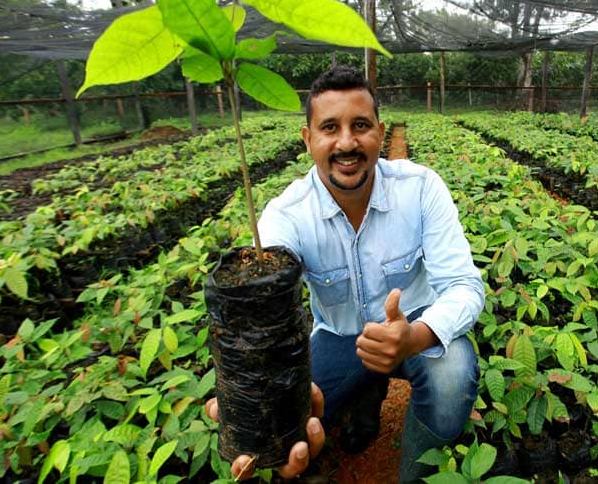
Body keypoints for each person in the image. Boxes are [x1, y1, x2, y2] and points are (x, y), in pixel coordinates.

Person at [205, 66, 483, 483]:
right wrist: (250, 388)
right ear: (308, 139)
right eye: (330, 127)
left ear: (380, 132)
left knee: (452, 381)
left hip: (415, 326)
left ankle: (417, 471)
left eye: (361, 126)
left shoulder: (421, 188)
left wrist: (413, 337)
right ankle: (363, 402)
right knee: (294, 417)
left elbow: (464, 285)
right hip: (340, 338)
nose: (347, 142)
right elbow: (261, 306)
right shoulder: (288, 215)